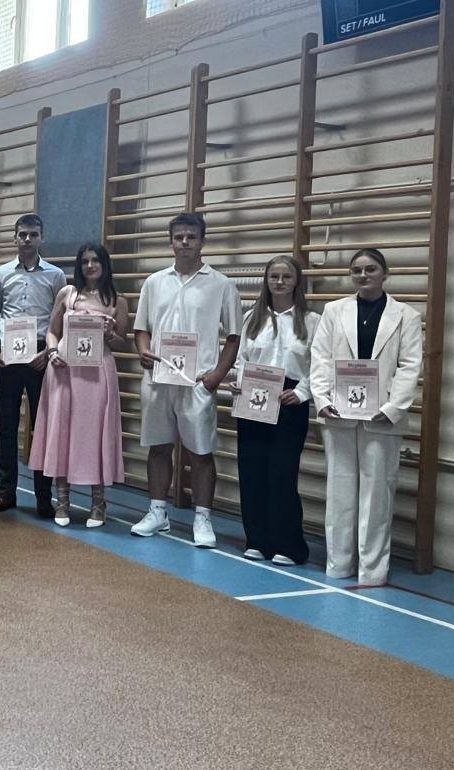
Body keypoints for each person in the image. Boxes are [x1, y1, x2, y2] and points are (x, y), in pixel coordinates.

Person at [309, 248, 423, 586]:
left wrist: (392, 408)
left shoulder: (406, 316)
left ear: (385, 273)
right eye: (357, 270)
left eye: (370, 269)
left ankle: (372, 570)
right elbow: (320, 358)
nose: (363, 275)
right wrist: (322, 400)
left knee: (377, 495)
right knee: (340, 491)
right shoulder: (334, 311)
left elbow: (410, 366)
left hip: (381, 416)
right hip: (339, 412)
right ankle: (339, 563)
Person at [129, 212, 242, 547]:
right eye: (179, 237)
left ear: (203, 241)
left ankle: (203, 518)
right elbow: (141, 329)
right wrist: (144, 351)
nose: (185, 242)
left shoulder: (221, 284)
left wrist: (215, 377)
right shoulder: (154, 282)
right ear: (171, 241)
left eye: (191, 237)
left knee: (201, 453)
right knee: (158, 447)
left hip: (197, 383)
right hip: (158, 379)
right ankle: (157, 512)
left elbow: (233, 336)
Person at [29, 245, 128, 528]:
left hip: (98, 373)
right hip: (64, 370)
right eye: (84, 261)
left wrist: (110, 334)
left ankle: (98, 502)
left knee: (95, 434)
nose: (90, 265)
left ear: (105, 264)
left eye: (95, 260)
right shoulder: (67, 294)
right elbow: (52, 331)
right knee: (63, 431)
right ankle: (62, 501)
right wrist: (52, 352)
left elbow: (123, 342)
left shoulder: (118, 300)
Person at [229, 255, 319, 565]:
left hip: (289, 400)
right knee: (252, 471)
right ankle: (257, 540)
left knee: (282, 474)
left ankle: (289, 546)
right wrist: (239, 382)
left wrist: (302, 392)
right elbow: (241, 359)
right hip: (254, 396)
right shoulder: (251, 317)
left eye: (286, 276)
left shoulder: (312, 321)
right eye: (274, 277)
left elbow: (319, 364)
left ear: (296, 281)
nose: (279, 282)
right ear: (266, 281)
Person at [0, 213, 66, 517]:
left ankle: (43, 497)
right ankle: (5, 492)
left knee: (42, 427)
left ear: (42, 238)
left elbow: (61, 320)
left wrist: (49, 351)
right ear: (15, 237)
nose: (28, 239)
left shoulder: (56, 276)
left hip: (40, 356)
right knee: (6, 426)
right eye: (23, 234)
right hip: (7, 356)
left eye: (33, 234)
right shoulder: (1, 274)